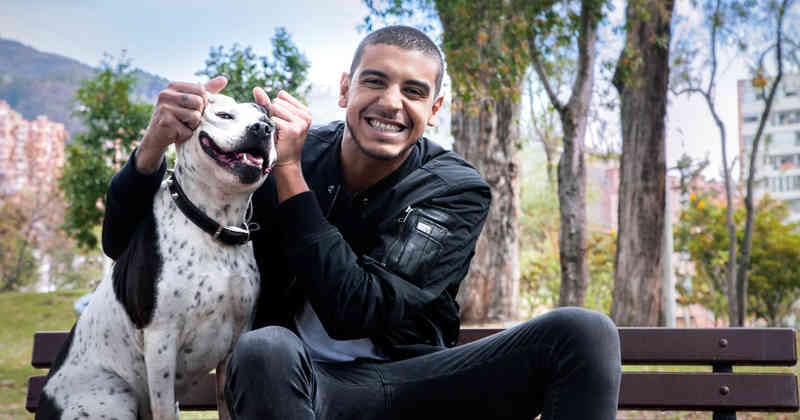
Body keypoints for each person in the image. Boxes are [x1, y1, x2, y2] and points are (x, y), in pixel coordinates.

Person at [102, 25, 621, 419]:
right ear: (346, 89)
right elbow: (121, 244)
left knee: (584, 331)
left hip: (417, 384)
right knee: (265, 347)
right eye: (375, 81)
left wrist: (289, 175)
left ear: (434, 108)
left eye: (414, 92)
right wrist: (151, 149)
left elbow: (358, 309)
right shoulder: (272, 158)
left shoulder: (455, 188)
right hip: (298, 386)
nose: (391, 103)